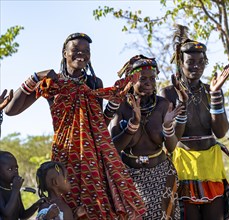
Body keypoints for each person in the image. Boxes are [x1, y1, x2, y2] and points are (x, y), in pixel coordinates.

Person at [5, 32, 146, 219]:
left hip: (93, 158)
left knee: (95, 207)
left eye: (86, 51)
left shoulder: (94, 83)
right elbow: (10, 110)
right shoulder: (51, 83)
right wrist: (35, 77)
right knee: (66, 203)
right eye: (75, 50)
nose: (81, 54)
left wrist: (115, 106)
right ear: (64, 53)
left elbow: (98, 125)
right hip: (65, 154)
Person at [161, 25, 229, 220]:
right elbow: (174, 137)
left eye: (201, 61)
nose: (196, 66)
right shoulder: (168, 93)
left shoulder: (211, 89)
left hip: (210, 163)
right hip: (183, 161)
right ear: (181, 62)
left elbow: (220, 132)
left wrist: (215, 95)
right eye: (190, 62)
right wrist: (182, 104)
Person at [110, 54, 186, 219]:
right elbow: (113, 148)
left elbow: (172, 147)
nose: (148, 83)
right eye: (142, 79)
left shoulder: (162, 105)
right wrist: (133, 124)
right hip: (129, 177)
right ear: (130, 80)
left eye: (152, 78)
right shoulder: (122, 106)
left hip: (161, 174)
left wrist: (167, 126)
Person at [0, 150, 44, 220]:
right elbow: (6, 214)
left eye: (16, 168)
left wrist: (37, 204)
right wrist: (15, 190)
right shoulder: (10, 190)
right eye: (10, 169)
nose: (15, 171)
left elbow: (22, 215)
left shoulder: (14, 190)